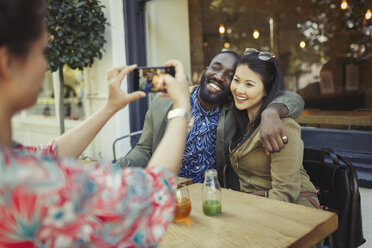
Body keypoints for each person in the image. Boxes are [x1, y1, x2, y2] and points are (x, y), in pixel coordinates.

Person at [0, 0, 190, 246]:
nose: (45, 66)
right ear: (8, 63)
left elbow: (48, 153)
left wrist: (110, 108)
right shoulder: (33, 184)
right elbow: (151, 196)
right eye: (42, 52)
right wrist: (182, 106)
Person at [117, 51, 305, 186]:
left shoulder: (237, 108)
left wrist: (271, 112)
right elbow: (144, 149)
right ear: (206, 70)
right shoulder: (163, 104)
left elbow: (292, 98)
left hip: (212, 194)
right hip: (169, 188)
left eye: (231, 76)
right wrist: (119, 167)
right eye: (216, 68)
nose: (219, 76)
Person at [229, 48, 319, 210]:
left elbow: (285, 193)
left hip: (294, 211)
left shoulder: (282, 126)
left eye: (249, 84)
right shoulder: (242, 119)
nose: (239, 89)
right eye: (236, 80)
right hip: (256, 206)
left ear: (266, 91)